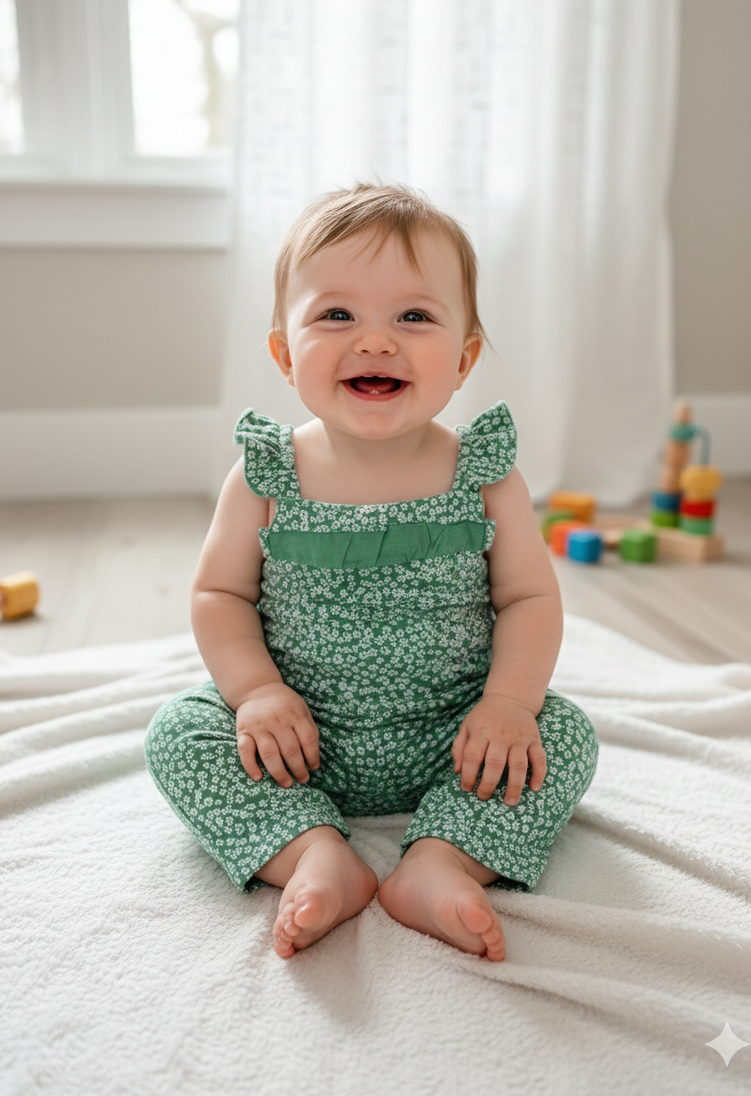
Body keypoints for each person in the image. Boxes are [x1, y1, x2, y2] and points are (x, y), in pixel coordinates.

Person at [145, 182, 598, 962]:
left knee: (565, 737)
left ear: (464, 359)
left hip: (456, 736)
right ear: (286, 355)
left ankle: (443, 858)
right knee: (179, 736)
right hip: (298, 741)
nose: (377, 342)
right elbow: (220, 594)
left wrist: (507, 705)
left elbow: (529, 596)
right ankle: (313, 850)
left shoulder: (484, 473)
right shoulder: (266, 473)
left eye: (413, 317)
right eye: (337, 315)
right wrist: (256, 693)